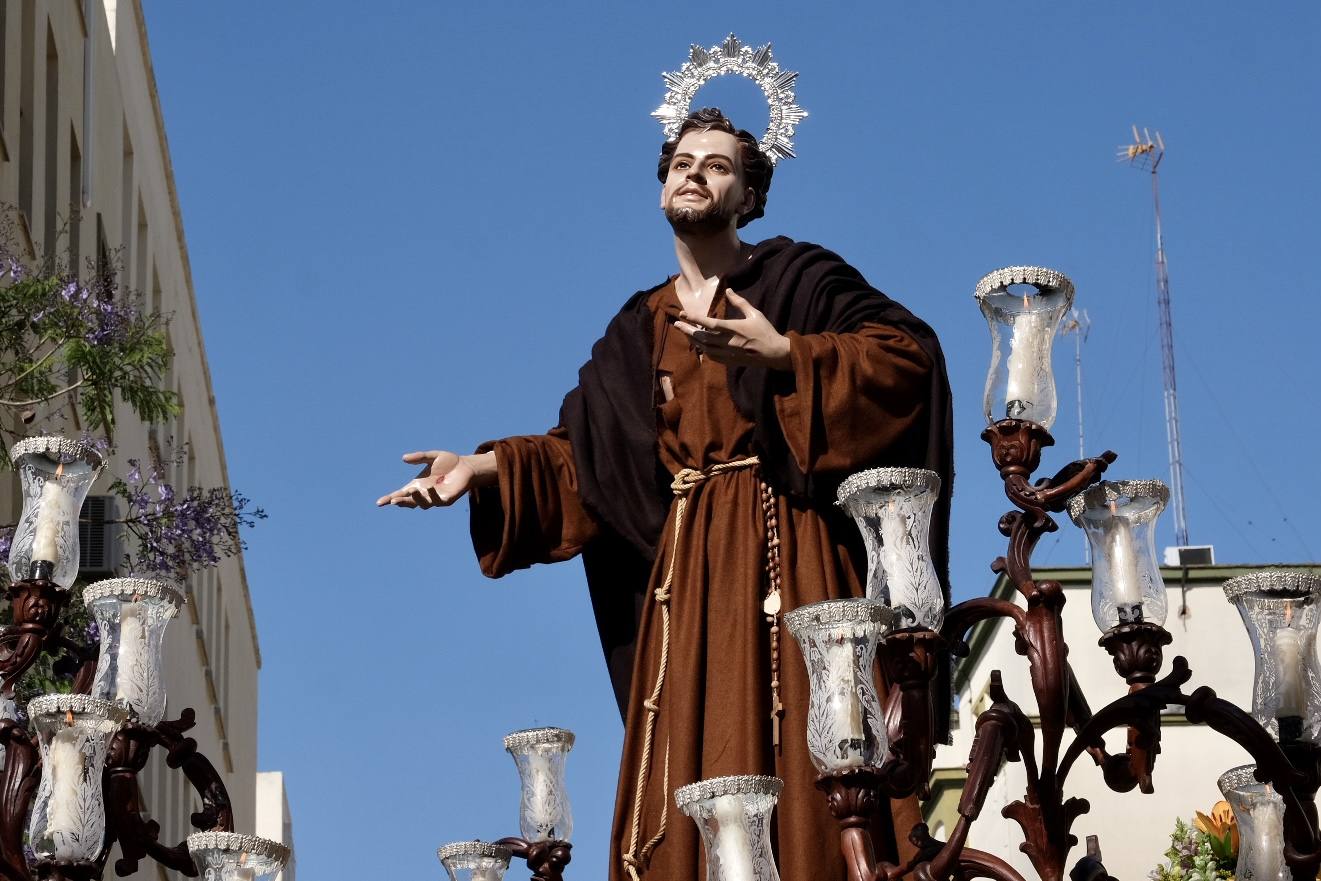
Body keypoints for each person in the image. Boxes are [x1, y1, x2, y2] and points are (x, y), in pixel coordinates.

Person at [378, 107, 953, 881]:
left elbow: (904, 359)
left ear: (749, 194)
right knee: (696, 750)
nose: (695, 173)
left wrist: (787, 353)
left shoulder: (796, 278)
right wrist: (478, 469)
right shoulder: (638, 326)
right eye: (683, 161)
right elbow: (586, 460)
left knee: (819, 759)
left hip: (794, 555)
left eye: (717, 165)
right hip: (688, 584)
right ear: (660, 187)